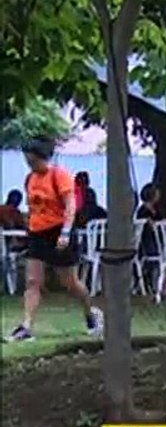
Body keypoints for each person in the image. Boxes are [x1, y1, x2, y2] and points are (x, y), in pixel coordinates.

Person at [7, 139, 101, 341]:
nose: (30, 165)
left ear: (43, 158)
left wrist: (66, 232)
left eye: (33, 161)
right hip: (37, 233)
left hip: (58, 231)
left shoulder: (59, 175)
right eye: (27, 161)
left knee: (70, 282)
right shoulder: (30, 179)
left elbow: (70, 206)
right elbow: (32, 207)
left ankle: (90, 314)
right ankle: (26, 326)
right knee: (33, 281)